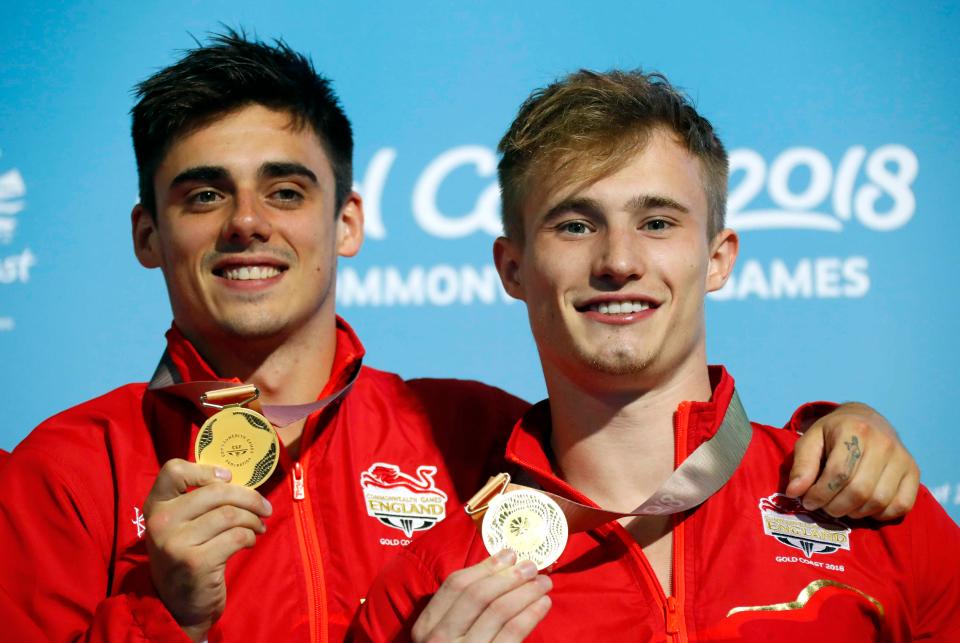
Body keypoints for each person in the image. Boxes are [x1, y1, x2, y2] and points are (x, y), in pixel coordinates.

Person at [0, 35, 919, 643]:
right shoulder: (64, 472)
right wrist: (170, 617)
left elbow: (650, 449)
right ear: (146, 234)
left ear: (346, 221)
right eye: (203, 194)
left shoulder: (465, 430)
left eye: (286, 190)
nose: (248, 223)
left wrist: (838, 429)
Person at [354, 70, 960, 642]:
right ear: (513, 268)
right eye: (574, 226)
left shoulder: (872, 514)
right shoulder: (436, 583)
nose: (619, 261)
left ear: (718, 258)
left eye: (658, 222)